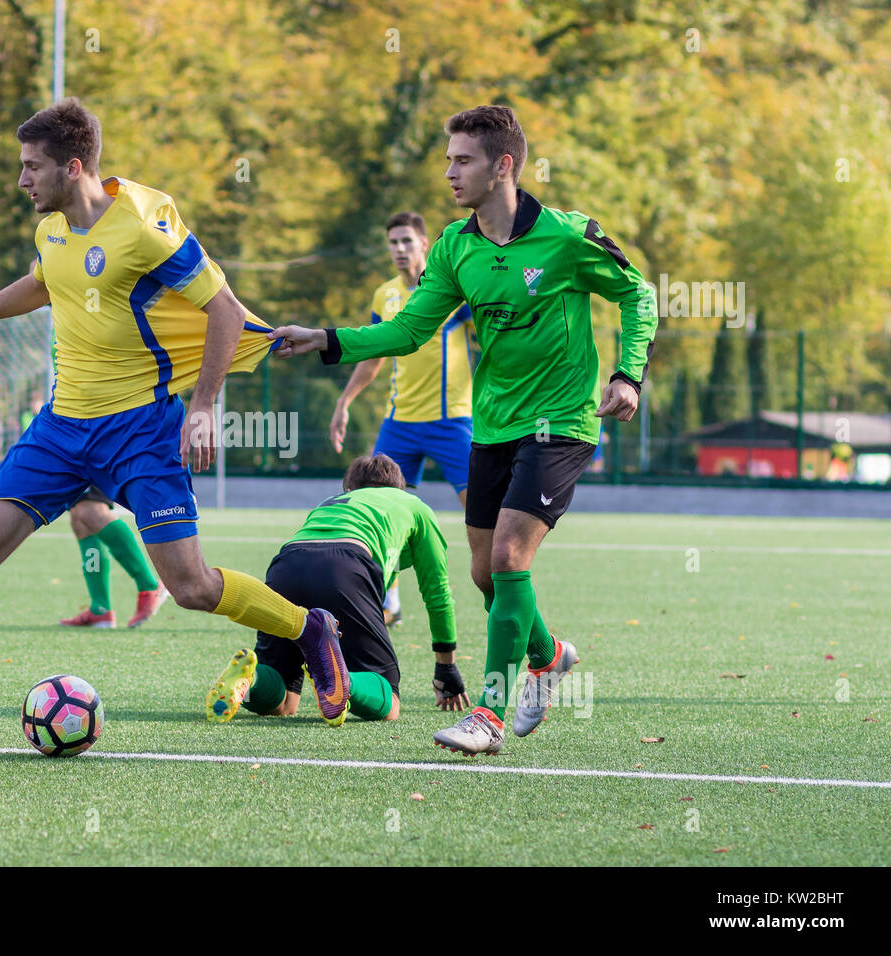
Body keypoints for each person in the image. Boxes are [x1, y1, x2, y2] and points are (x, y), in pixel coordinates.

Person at [0, 98, 350, 754]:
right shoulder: (51, 231)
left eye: (31, 167)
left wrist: (206, 404)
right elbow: (45, 284)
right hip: (61, 430)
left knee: (190, 587)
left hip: (142, 431)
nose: (22, 180)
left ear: (73, 168)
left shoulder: (142, 224)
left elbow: (220, 310)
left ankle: (310, 629)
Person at [270, 105, 657, 755]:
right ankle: (550, 653)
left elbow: (637, 294)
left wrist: (628, 376)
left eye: (462, 159)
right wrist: (325, 338)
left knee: (508, 558)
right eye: (448, 158)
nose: (449, 171)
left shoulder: (569, 236)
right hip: (492, 425)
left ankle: (490, 714)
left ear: (503, 166)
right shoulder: (454, 246)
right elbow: (409, 330)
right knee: (486, 574)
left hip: (560, 422)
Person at [207, 454, 469, 723]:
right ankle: (344, 682)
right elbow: (438, 594)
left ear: (349, 489)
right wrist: (446, 666)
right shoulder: (414, 505)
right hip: (347, 567)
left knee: (284, 703)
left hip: (286, 566)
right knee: (389, 703)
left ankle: (251, 681)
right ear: (399, 487)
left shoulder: (331, 503)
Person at [329, 211, 477, 627]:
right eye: (392, 242)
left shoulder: (452, 290)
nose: (399, 249)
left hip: (454, 422)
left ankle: (498, 591)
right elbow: (374, 354)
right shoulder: (384, 296)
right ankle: (386, 602)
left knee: (480, 516)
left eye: (407, 241)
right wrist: (344, 402)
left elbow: (488, 338)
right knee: (373, 513)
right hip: (401, 423)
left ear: (425, 244)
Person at [59, 485, 169, 628]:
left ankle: (149, 585)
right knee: (80, 520)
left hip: (93, 461)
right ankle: (100, 608)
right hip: (74, 461)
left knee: (90, 509)